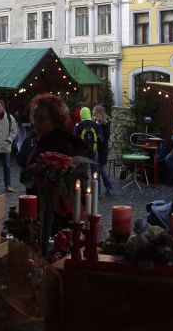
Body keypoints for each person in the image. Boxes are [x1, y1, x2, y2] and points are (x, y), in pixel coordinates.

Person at [27, 93, 89, 254]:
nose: (36, 123)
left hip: (56, 219)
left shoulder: (59, 145)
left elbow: (70, 189)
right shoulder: (43, 139)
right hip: (41, 211)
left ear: (55, 121)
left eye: (42, 119)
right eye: (35, 118)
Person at [74, 107, 109, 195]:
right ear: (89, 113)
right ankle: (96, 193)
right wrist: (96, 147)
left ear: (81, 114)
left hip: (83, 153)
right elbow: (101, 138)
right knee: (95, 172)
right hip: (93, 152)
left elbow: (74, 139)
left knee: (84, 173)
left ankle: (85, 193)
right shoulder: (96, 124)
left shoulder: (78, 125)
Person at [93, 104, 114, 196]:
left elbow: (105, 138)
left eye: (94, 109)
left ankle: (107, 187)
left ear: (98, 111)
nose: (92, 110)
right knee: (99, 169)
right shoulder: (95, 121)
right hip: (97, 148)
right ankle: (103, 189)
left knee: (100, 169)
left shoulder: (104, 123)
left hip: (101, 149)